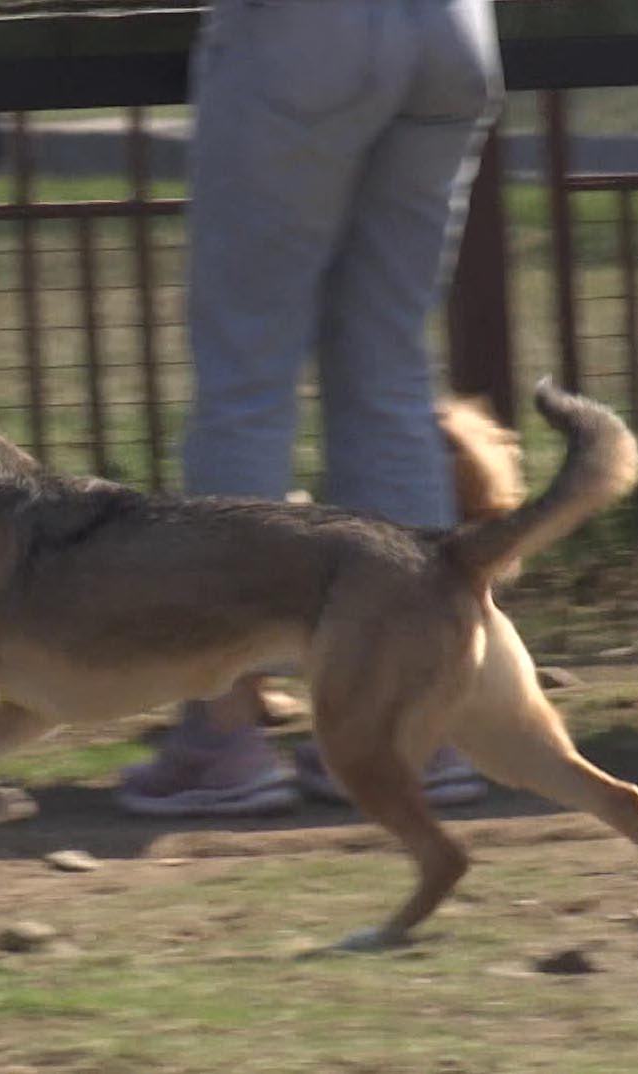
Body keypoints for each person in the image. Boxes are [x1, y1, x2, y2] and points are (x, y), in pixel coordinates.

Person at [117, 0, 504, 818]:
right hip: (454, 28)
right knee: (391, 374)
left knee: (246, 381)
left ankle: (224, 733)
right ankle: (412, 733)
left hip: (303, 38)